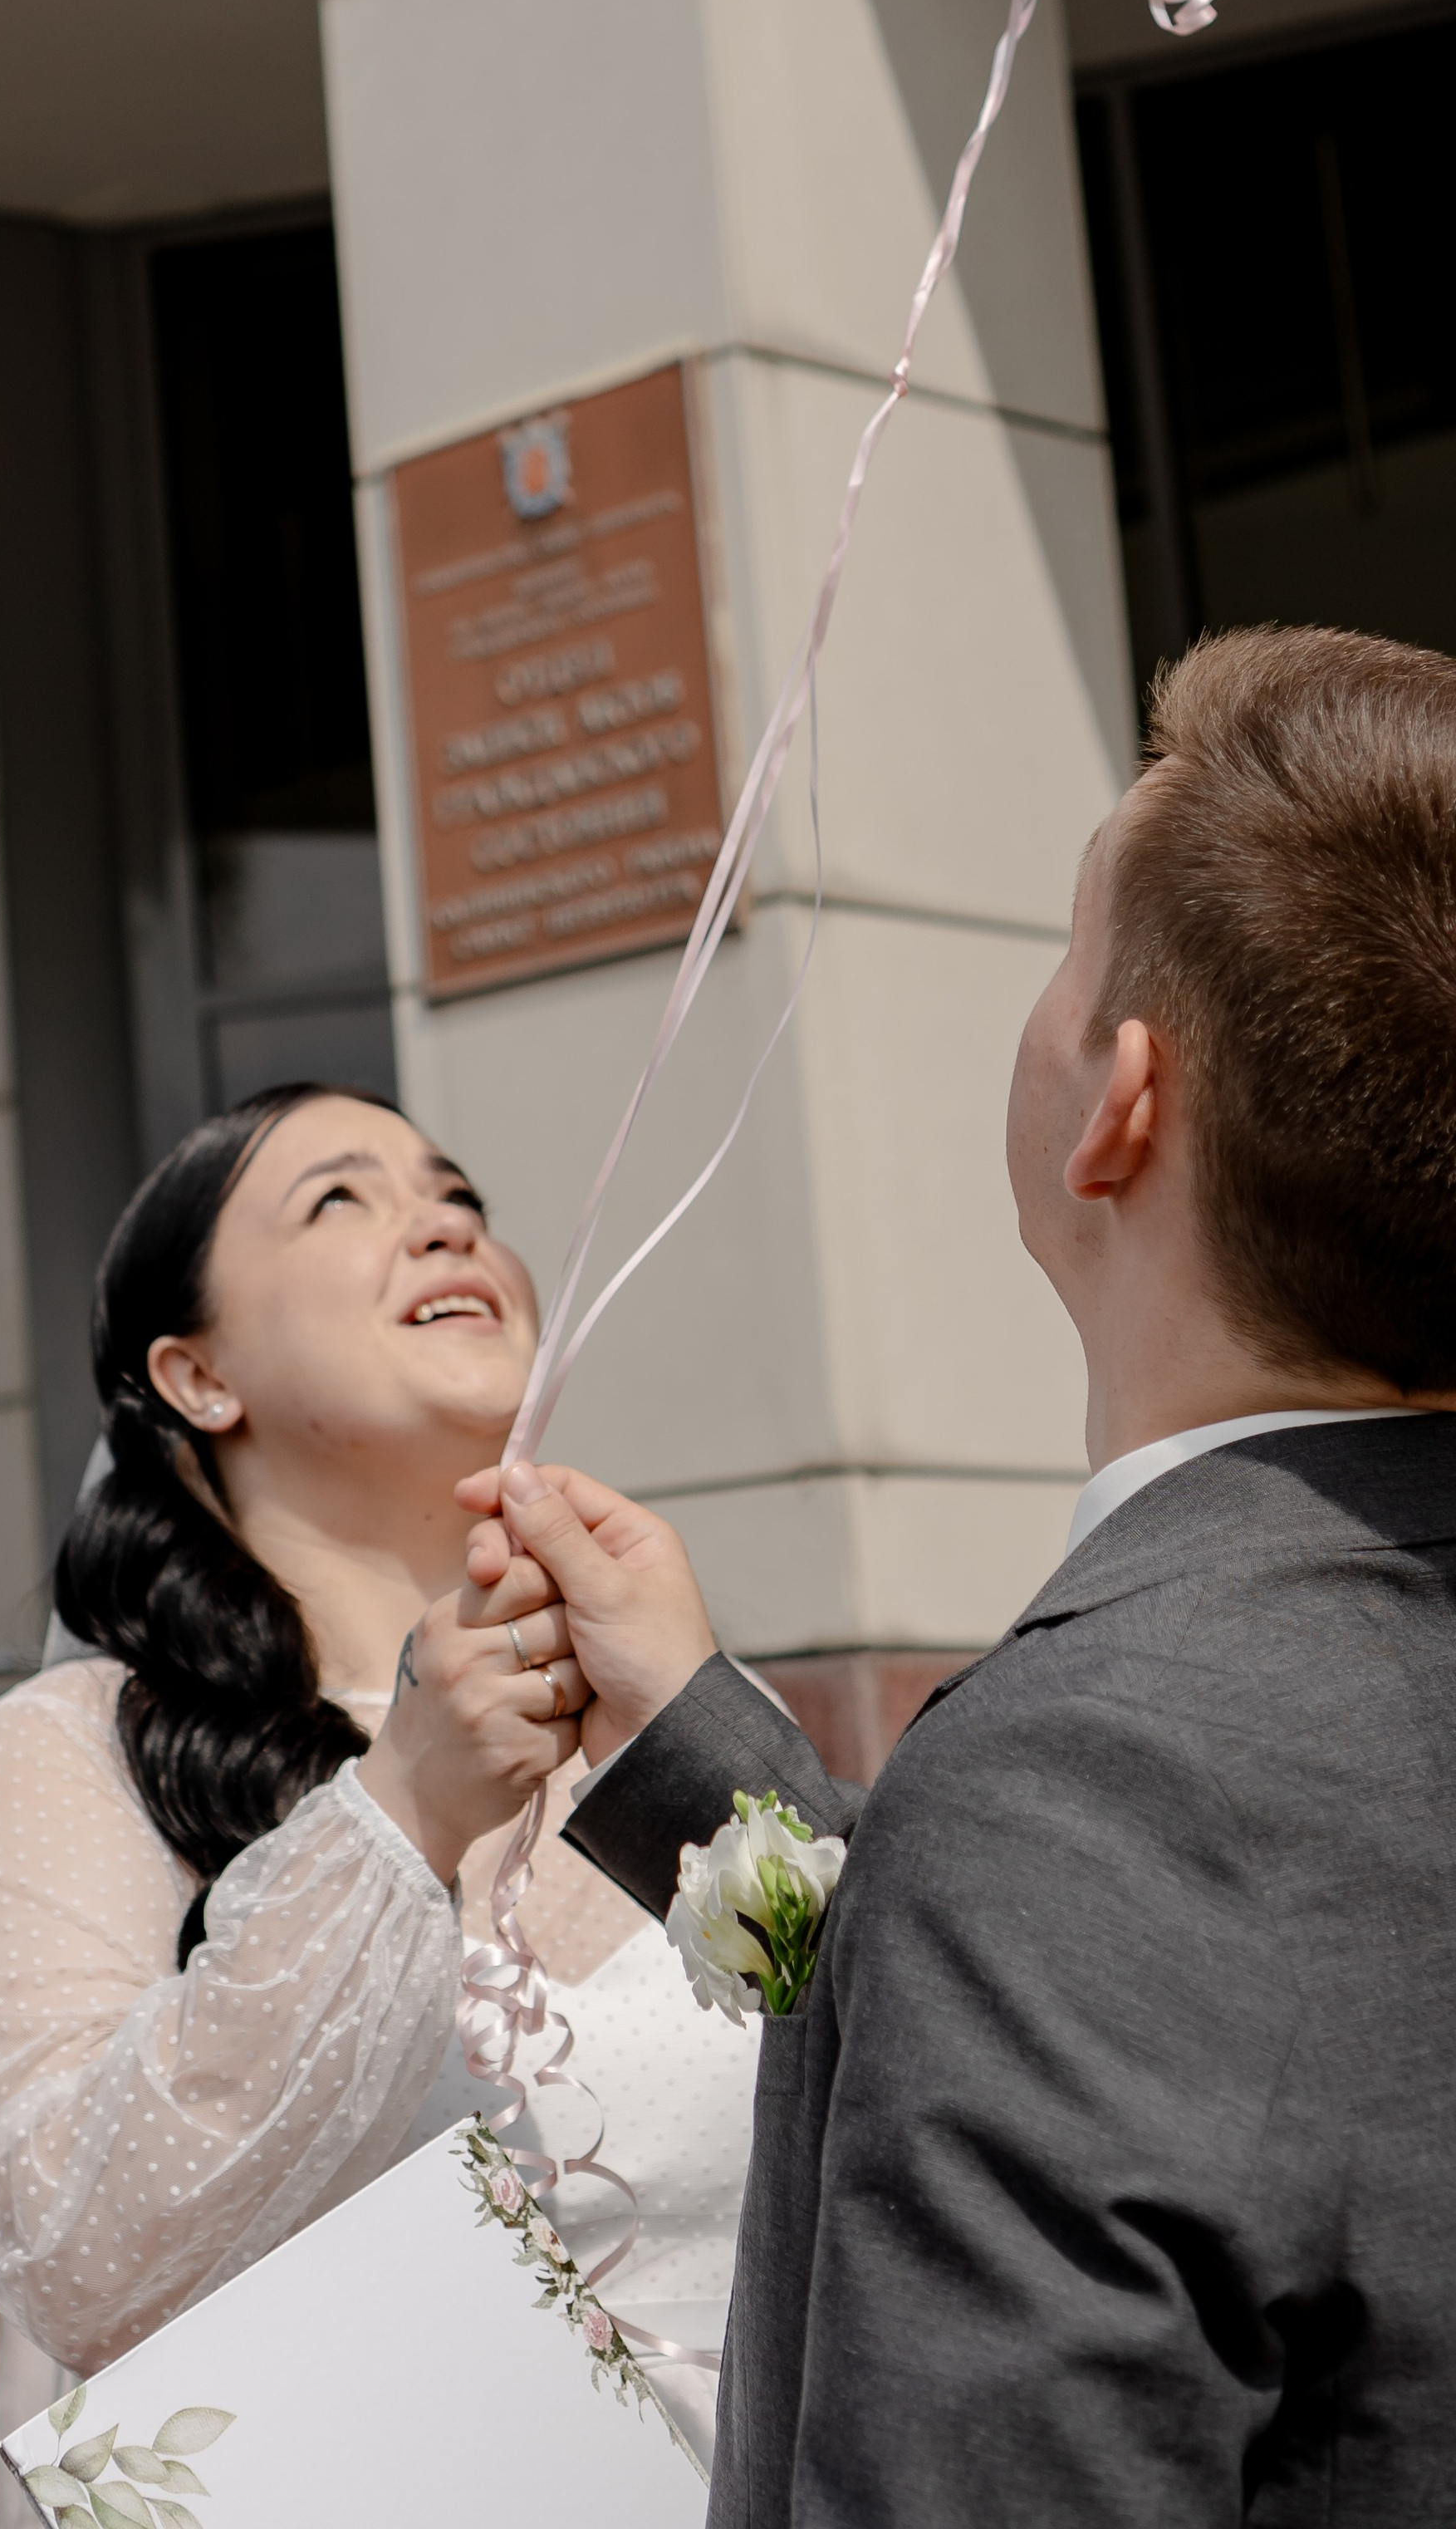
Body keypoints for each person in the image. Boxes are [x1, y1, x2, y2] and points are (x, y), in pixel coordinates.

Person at [460, 624, 1456, 2524]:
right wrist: (692, 1742)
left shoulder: (1076, 1783)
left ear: (1120, 1104)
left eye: (1062, 954)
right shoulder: (1117, 1792)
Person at [0, 1084, 761, 2460]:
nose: (441, 1229)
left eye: (458, 1196)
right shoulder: (67, 1760)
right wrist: (397, 1814)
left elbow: (884, 2118)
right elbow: (69, 2250)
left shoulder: (685, 1701)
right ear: (197, 1377)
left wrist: (707, 1731)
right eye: (342, 1200)